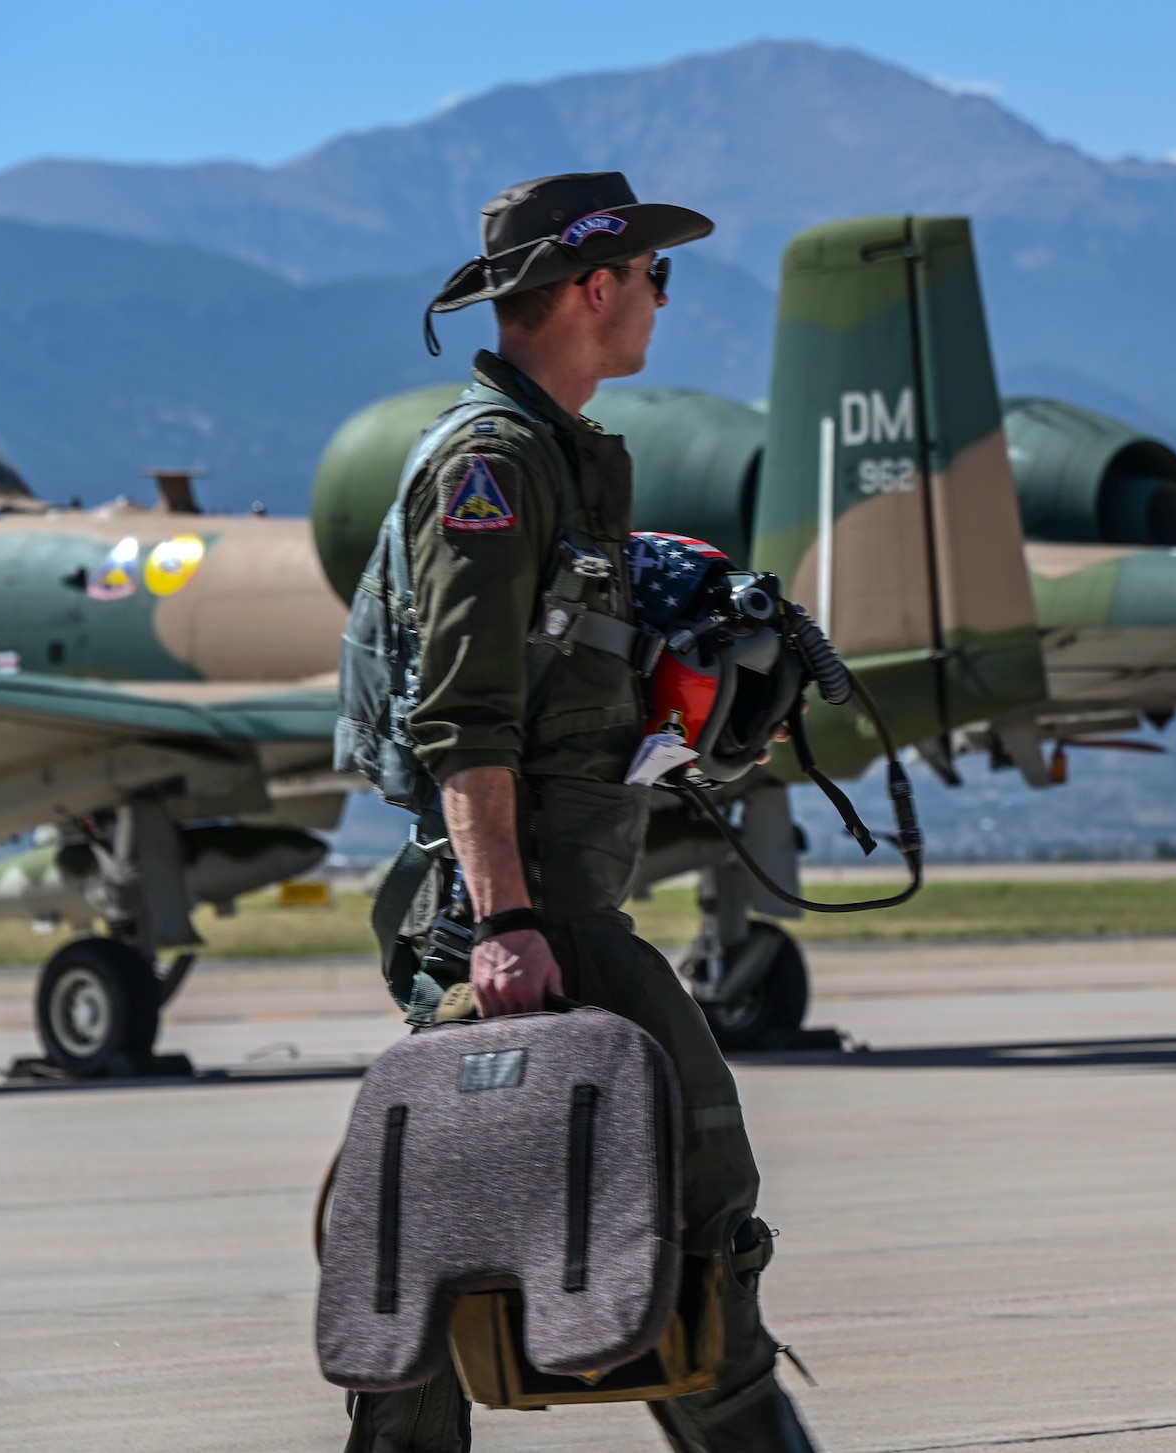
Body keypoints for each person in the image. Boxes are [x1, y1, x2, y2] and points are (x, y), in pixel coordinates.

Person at [344, 172, 818, 1453]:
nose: (664, 301)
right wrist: (504, 924)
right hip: (525, 916)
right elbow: (461, 720)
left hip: (555, 901)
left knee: (445, 1244)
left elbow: (548, 689)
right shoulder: (492, 466)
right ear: (596, 285)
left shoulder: (559, 456)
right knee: (696, 1191)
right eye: (655, 276)